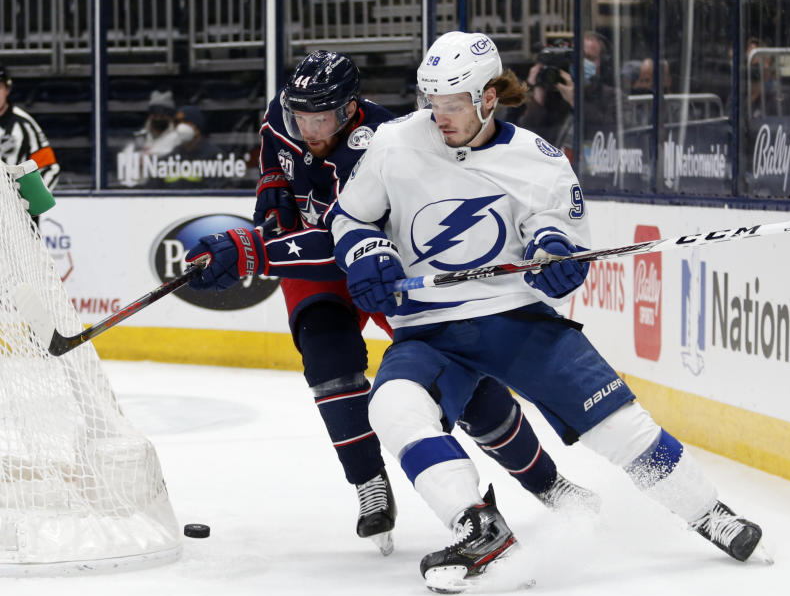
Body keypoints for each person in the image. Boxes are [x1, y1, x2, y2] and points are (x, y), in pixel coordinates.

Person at [183, 50, 598, 556]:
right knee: (327, 361)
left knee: (459, 375)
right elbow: (276, 150)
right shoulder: (281, 112)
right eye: (301, 117)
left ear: (350, 108)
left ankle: (545, 482)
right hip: (310, 262)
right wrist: (272, 184)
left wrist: (252, 252)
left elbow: (341, 240)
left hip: (380, 266)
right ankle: (369, 483)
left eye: (324, 118)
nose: (310, 128)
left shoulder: (382, 141)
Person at [0, 65, 60, 193]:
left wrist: (31, 203)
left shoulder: (24, 124)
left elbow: (49, 168)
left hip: (13, 210)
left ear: (7, 89)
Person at [150, 105, 227, 189]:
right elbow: (152, 188)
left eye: (185, 121)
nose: (180, 126)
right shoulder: (169, 158)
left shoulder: (214, 156)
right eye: (177, 122)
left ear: (197, 126)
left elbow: (216, 190)